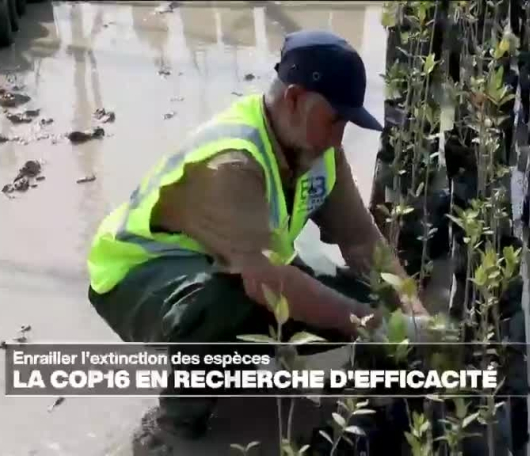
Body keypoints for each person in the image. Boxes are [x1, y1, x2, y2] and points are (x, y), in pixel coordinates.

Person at [86, 30, 429, 440]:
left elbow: (361, 241)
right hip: (138, 277)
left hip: (237, 264)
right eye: (335, 119)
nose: (339, 137)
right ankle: (176, 423)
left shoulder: (319, 150)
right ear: (295, 99)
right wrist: (371, 323)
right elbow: (266, 282)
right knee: (230, 303)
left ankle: (241, 364)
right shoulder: (233, 161)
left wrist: (413, 313)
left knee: (357, 300)